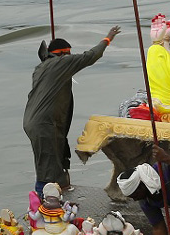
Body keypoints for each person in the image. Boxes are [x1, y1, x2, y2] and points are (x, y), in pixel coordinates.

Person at [23, 25, 121, 196]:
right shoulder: (61, 63)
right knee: (47, 168)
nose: (70, 57)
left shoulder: (41, 67)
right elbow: (90, 56)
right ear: (62, 54)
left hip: (34, 121)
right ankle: (42, 203)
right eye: (68, 53)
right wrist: (107, 39)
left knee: (52, 160)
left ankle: (56, 196)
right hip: (44, 123)